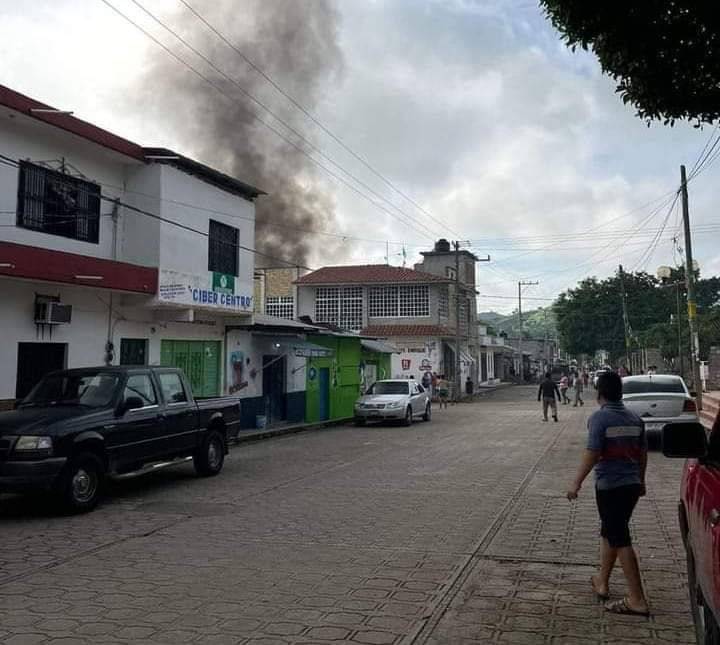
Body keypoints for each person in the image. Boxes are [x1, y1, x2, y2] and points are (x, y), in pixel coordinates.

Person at [566, 371, 649, 617]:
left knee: (619, 536)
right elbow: (642, 454)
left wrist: (576, 483)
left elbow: (592, 452)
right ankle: (602, 581)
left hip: (610, 486)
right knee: (610, 531)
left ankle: (637, 599)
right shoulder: (635, 418)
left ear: (599, 393)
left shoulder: (599, 419)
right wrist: (641, 481)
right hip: (631, 485)